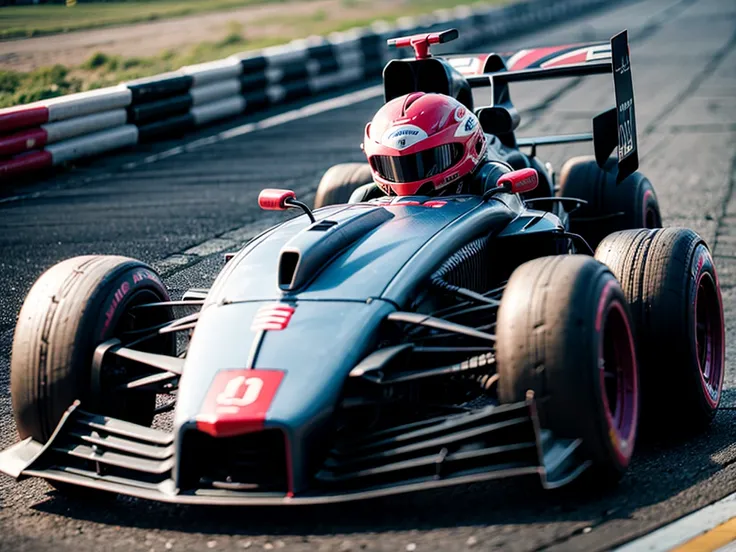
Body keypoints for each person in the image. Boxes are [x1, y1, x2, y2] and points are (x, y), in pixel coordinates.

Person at [355, 91, 528, 202]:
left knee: (521, 162)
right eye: (392, 165)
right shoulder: (366, 198)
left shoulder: (491, 182)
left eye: (429, 160)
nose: (409, 176)